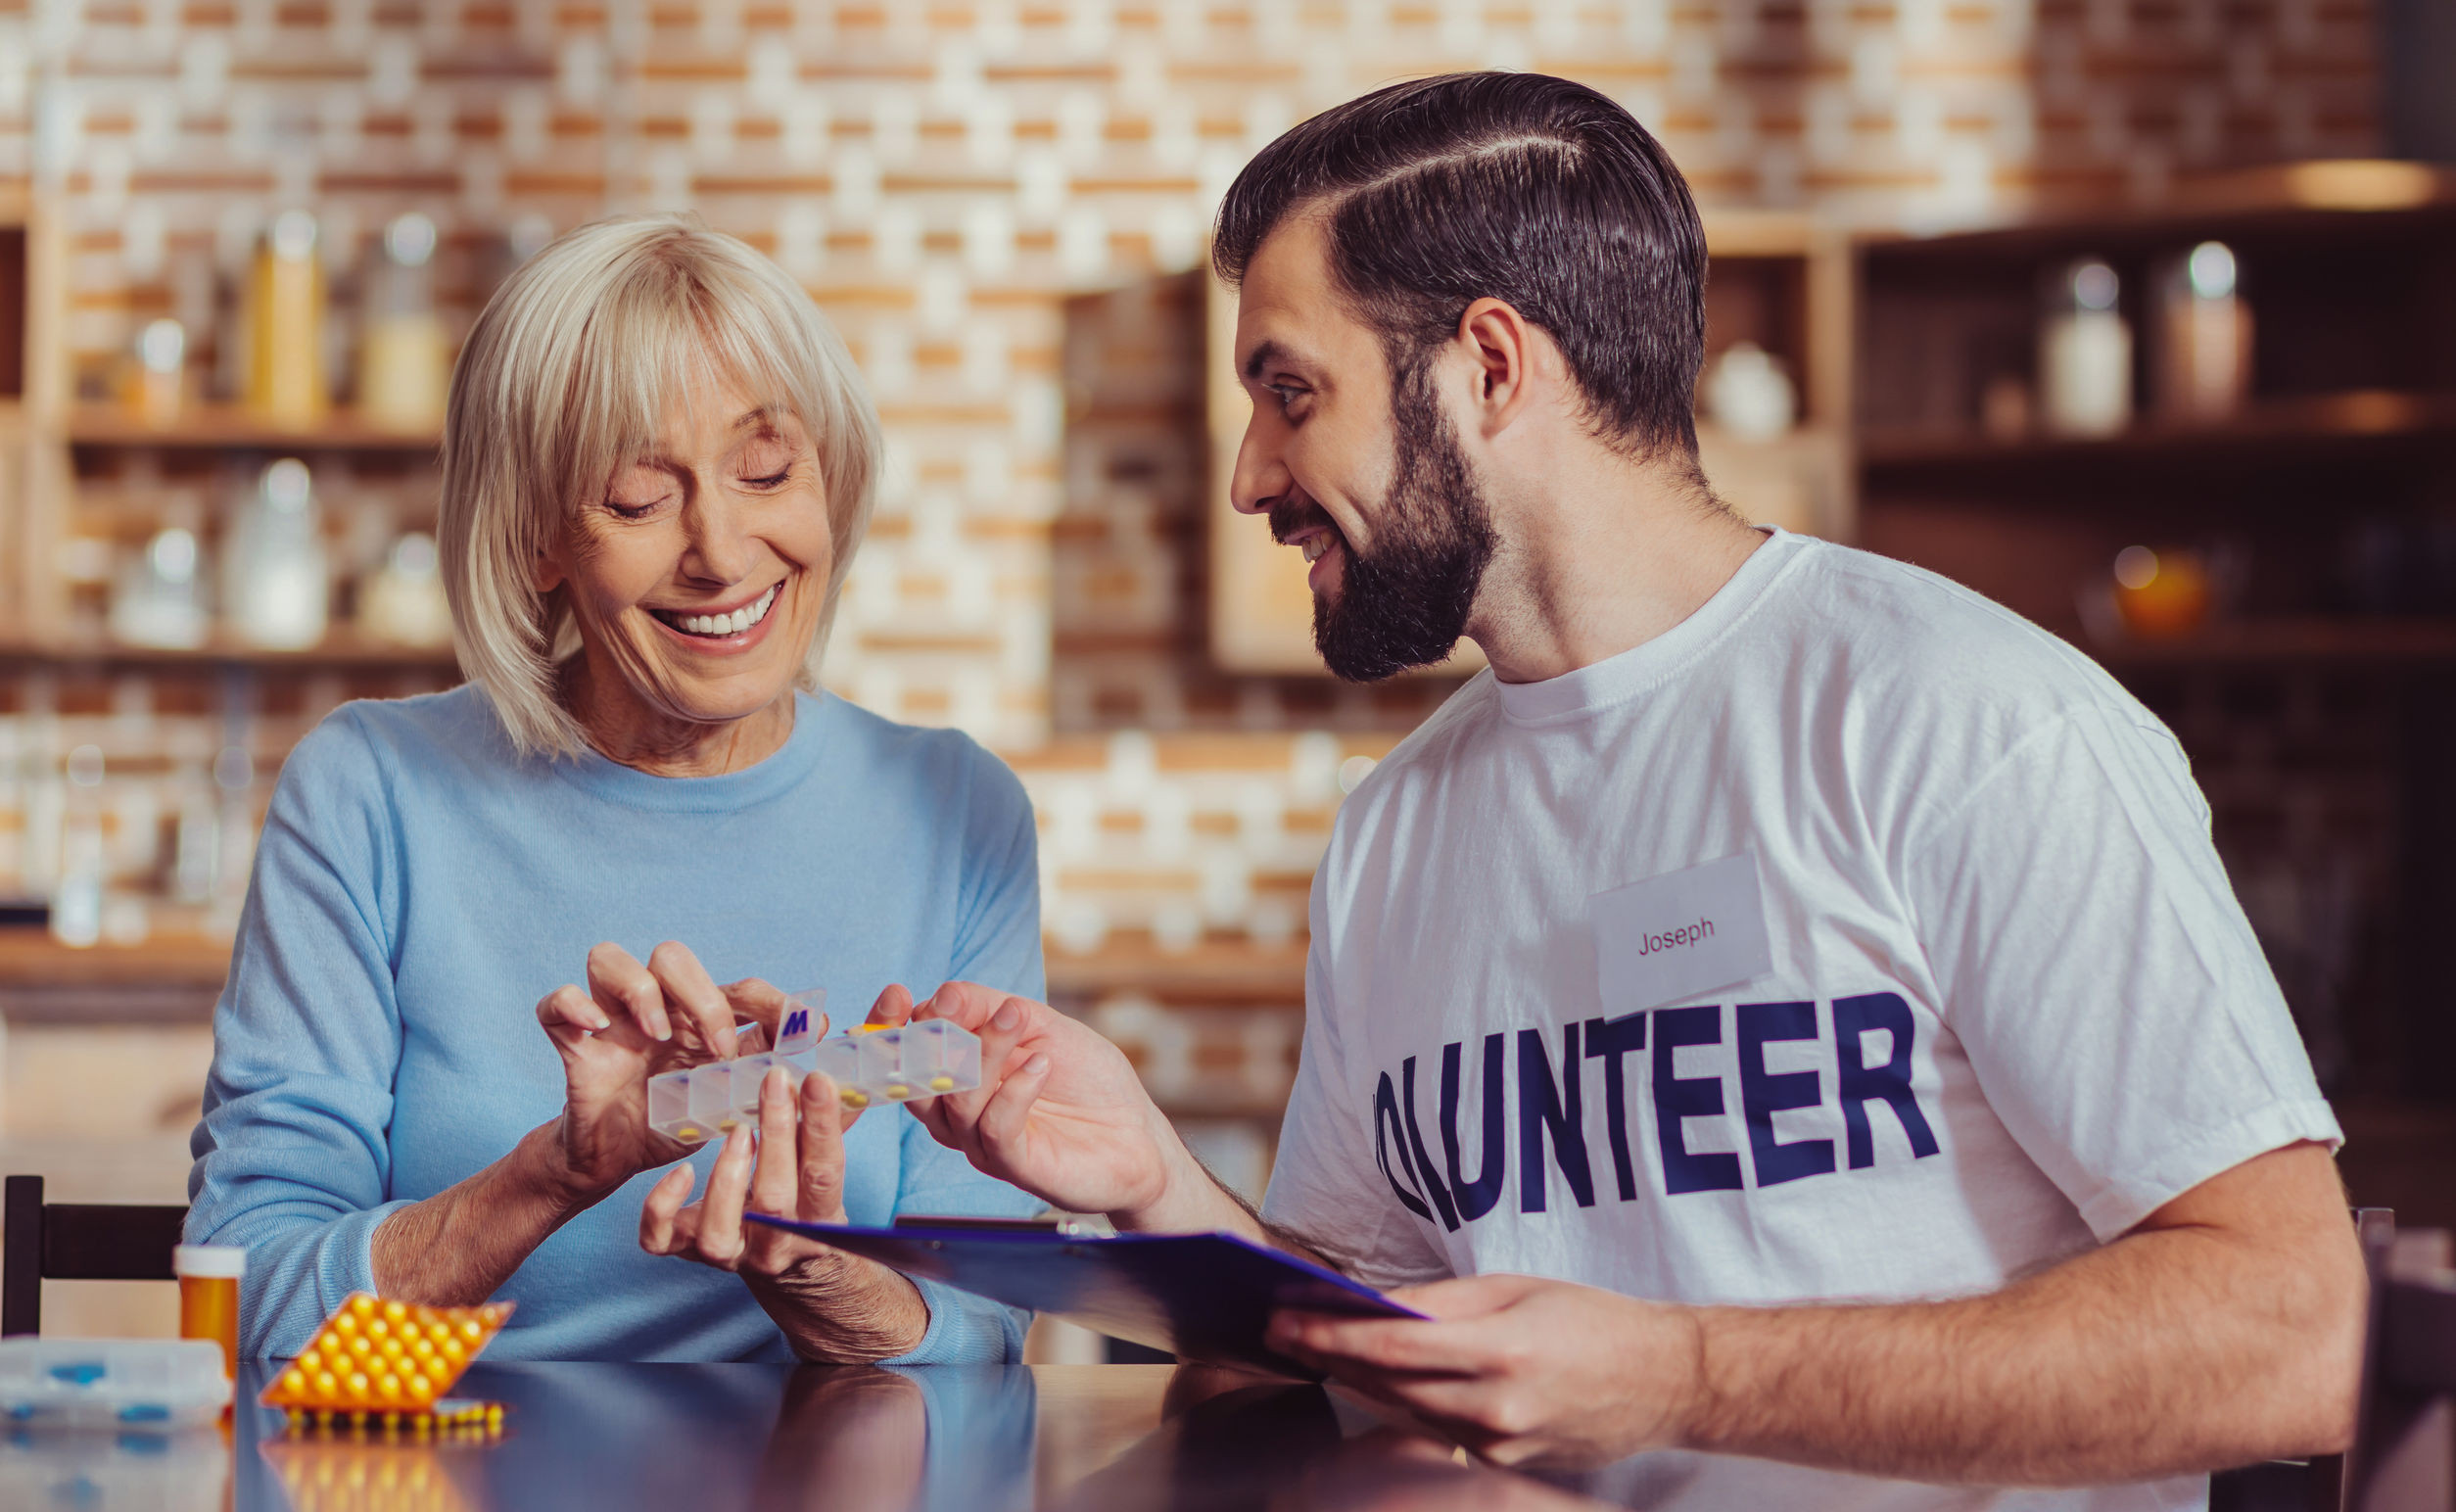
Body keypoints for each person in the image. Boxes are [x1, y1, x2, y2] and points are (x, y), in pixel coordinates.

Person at [849, 73, 2368, 1492]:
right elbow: (1347, 1349)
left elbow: (2296, 1330)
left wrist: (1681, 1376)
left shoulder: (1969, 724)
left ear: (1490, 366)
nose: (1250, 473)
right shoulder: (1396, 830)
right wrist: (1154, 1185)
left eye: (1291, 392)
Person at [186, 214, 1042, 1363]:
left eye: (767, 468)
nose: (723, 552)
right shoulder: (370, 792)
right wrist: (561, 1170)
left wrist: (814, 1272)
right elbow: (251, 1311)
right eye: (641, 497)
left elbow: (986, 1324)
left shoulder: (956, 810)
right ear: (539, 536)